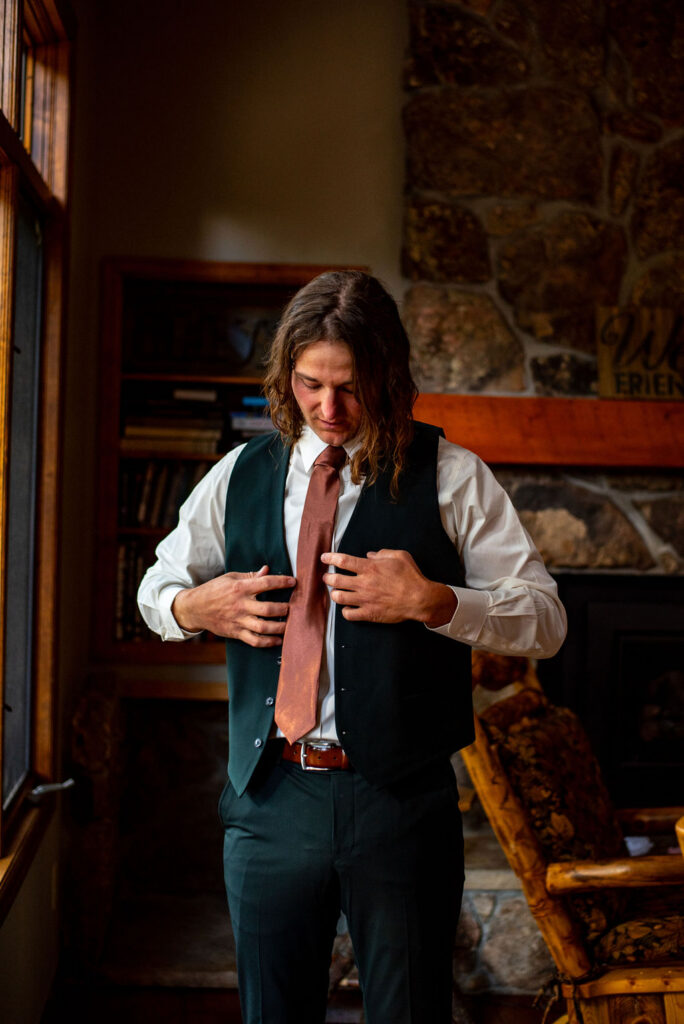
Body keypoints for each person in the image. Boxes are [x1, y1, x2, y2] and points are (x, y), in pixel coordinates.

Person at [138, 270, 566, 1024]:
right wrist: (191, 605)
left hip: (398, 804)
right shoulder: (237, 476)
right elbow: (154, 591)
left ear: (390, 376)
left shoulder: (455, 478)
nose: (329, 410)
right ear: (287, 376)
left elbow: (545, 620)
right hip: (268, 797)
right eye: (310, 385)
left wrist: (435, 602)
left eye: (351, 387)